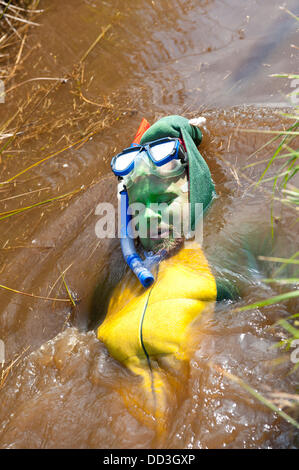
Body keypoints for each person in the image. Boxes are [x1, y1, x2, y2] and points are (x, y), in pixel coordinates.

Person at [96, 115, 248, 435]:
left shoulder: (221, 255)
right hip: (111, 417)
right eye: (139, 207)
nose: (150, 215)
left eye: (165, 200)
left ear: (195, 196)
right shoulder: (119, 282)